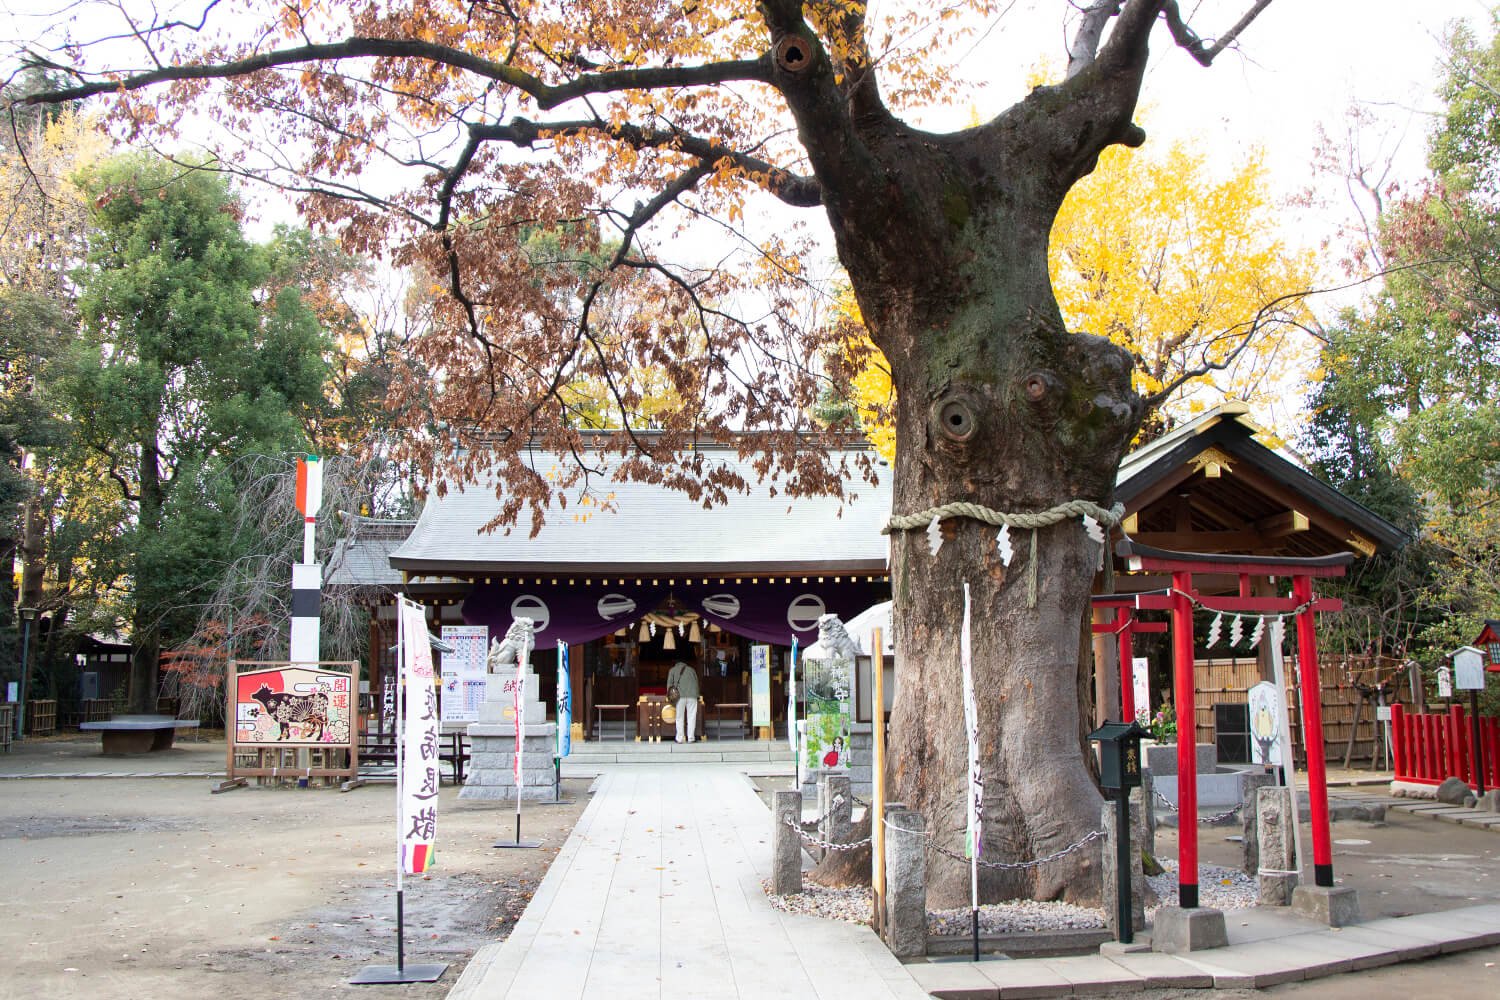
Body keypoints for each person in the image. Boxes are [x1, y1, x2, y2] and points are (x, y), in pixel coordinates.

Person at [667, 659, 700, 743]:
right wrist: (697, 695)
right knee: (691, 717)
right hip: (692, 696)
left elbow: (669, 685)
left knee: (679, 717)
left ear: (676, 663)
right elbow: (696, 683)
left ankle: (679, 738)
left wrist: (669, 696)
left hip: (679, 697)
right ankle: (691, 738)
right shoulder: (691, 669)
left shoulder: (672, 670)